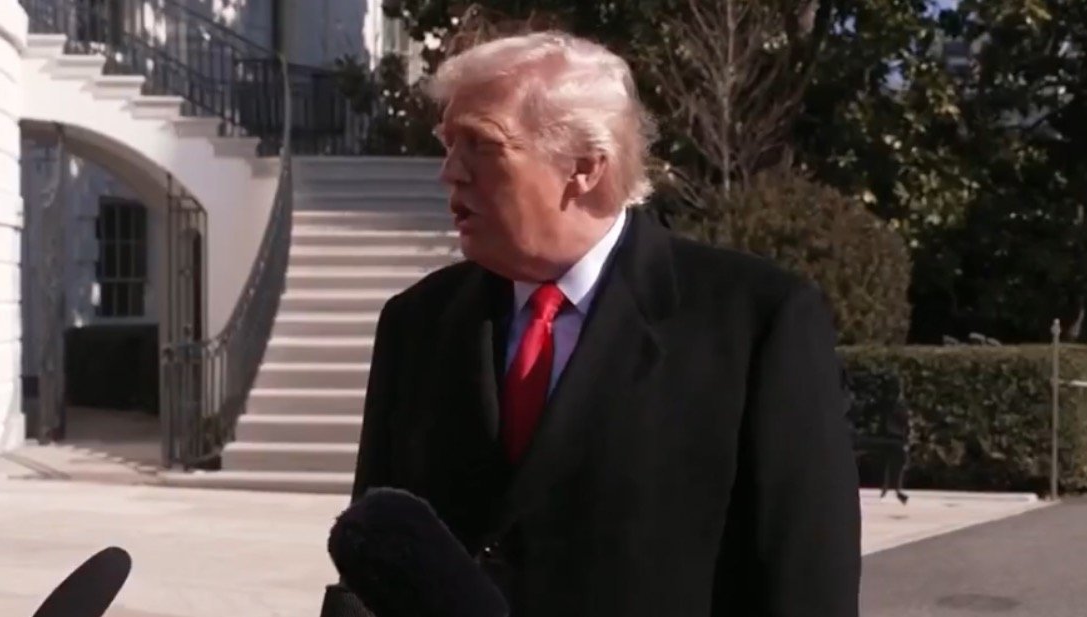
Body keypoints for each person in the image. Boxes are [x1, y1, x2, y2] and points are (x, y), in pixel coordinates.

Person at [322, 30, 861, 617]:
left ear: (584, 166)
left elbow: (806, 587)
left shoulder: (756, 322)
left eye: (480, 144)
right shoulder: (416, 323)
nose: (449, 173)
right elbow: (374, 564)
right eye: (448, 144)